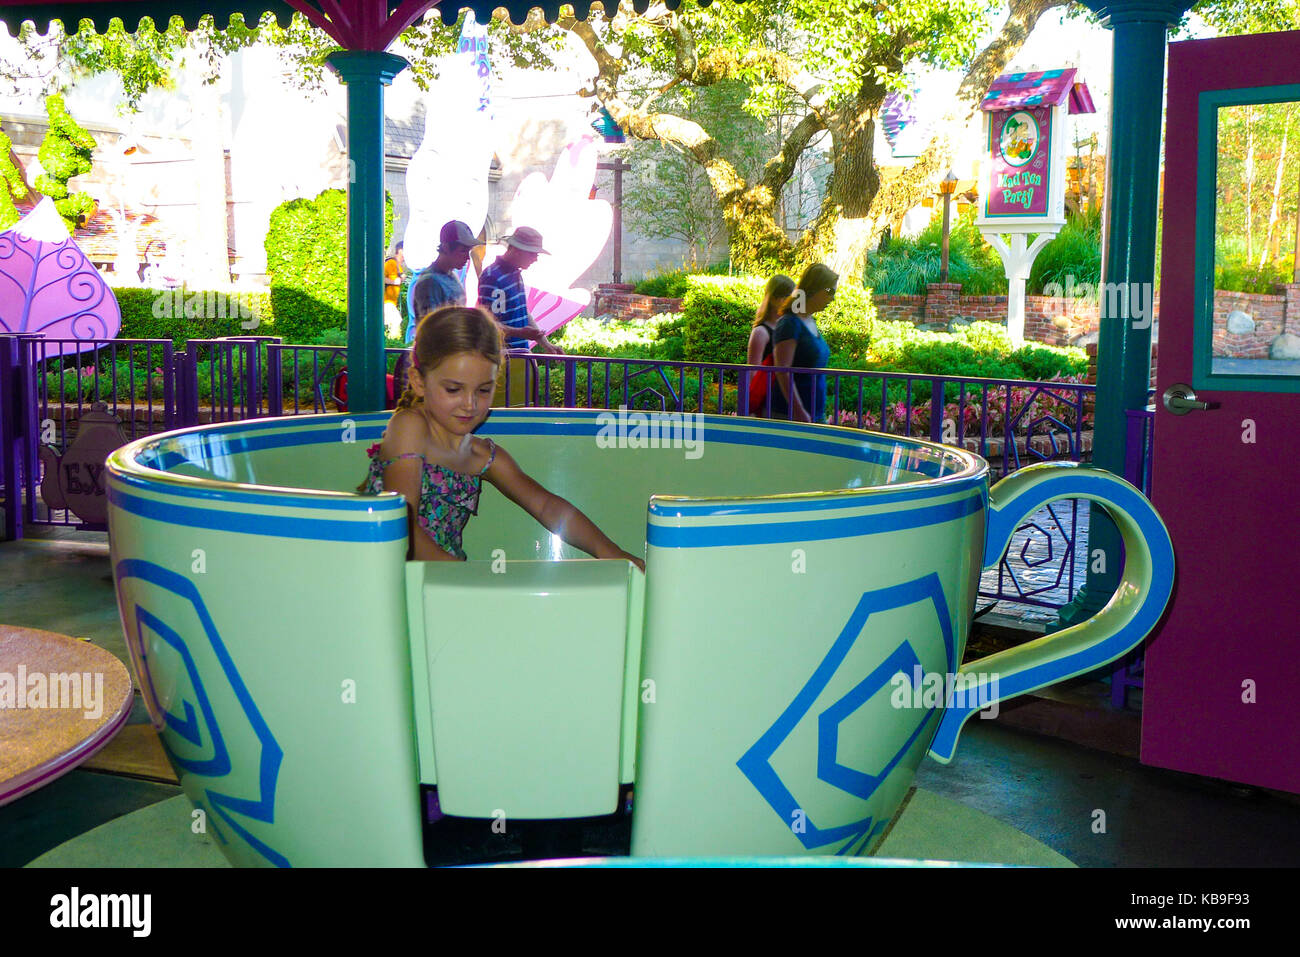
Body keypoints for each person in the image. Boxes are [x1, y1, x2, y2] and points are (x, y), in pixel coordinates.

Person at [358, 305, 643, 570]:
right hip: (381, 576)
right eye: (454, 389)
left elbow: (546, 505)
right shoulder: (409, 426)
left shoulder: (483, 456)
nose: (469, 404)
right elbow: (399, 524)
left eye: (483, 390)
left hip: (439, 581)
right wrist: (461, 577)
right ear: (419, 382)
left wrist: (613, 553)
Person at [478, 226, 563, 406]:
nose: (535, 258)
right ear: (516, 249)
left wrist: (546, 344)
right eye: (532, 253)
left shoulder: (515, 274)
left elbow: (523, 311)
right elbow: (486, 325)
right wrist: (521, 333)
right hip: (499, 362)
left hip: (518, 361)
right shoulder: (492, 276)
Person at [771, 263, 837, 424]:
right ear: (814, 289)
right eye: (829, 291)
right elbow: (782, 371)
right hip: (789, 417)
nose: (833, 297)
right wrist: (798, 411)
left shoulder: (809, 321)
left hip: (813, 415)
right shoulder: (789, 323)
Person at [745, 274, 795, 417]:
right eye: (788, 298)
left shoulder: (786, 328)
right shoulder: (761, 332)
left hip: (784, 397)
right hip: (769, 401)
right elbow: (753, 371)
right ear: (774, 299)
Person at [383, 242, 407, 340]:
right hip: (386, 302)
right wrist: (394, 281)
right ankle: (392, 345)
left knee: (391, 323)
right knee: (396, 321)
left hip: (391, 302)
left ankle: (390, 343)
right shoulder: (391, 263)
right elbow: (379, 277)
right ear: (401, 251)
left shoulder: (398, 266)